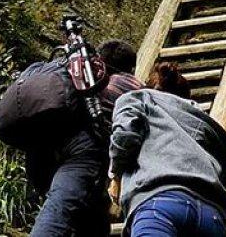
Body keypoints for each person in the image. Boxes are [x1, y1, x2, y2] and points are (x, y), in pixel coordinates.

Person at [27, 39, 143, 237]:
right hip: (84, 150)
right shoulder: (132, 86)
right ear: (131, 66)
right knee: (60, 210)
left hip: (42, 146)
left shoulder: (78, 77)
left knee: (91, 213)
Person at [108, 62, 226, 237]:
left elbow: (125, 135)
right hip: (212, 213)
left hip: (159, 202)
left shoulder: (137, 97)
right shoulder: (200, 118)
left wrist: (115, 176)